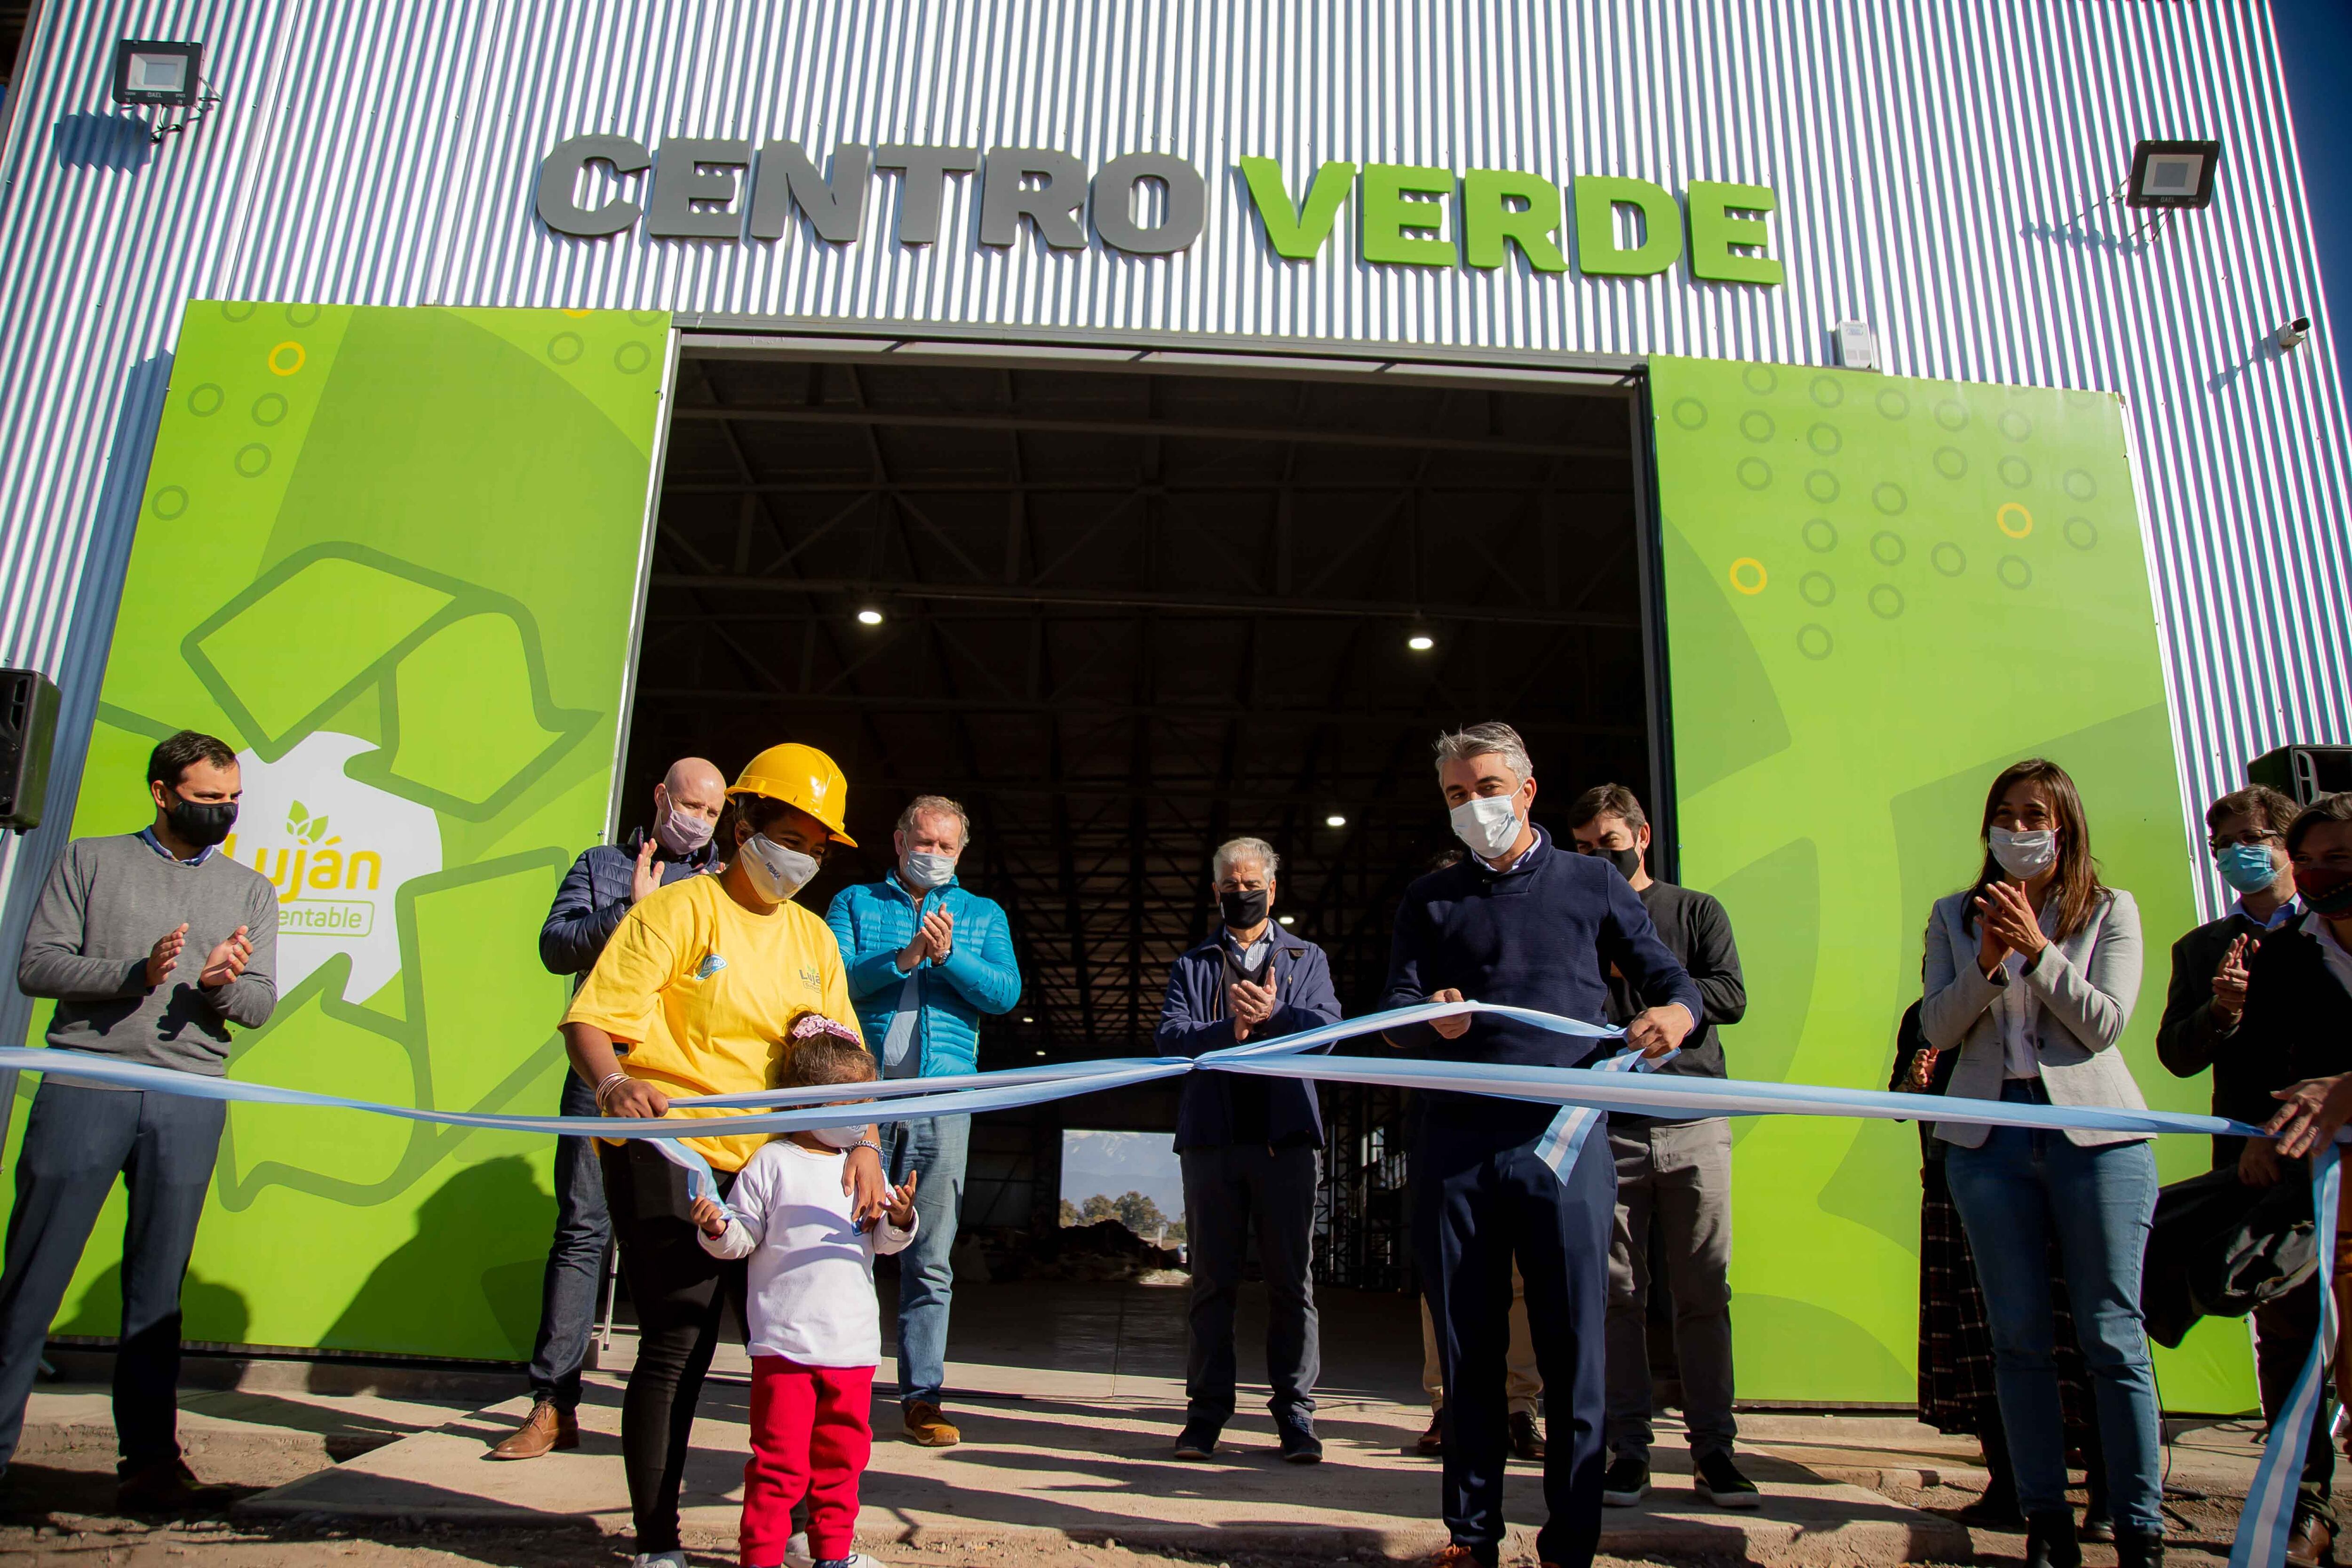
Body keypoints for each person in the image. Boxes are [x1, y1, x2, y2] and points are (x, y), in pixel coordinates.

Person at [561, 742, 888, 1568]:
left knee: (805, 1353)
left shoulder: (815, 939)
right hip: (678, 1155)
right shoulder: (676, 912)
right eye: (793, 835)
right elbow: (590, 1022)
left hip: (779, 1161)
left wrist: (869, 1144)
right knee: (679, 1341)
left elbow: (848, 1058)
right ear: (743, 824)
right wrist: (613, 1087)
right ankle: (659, 1543)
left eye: (819, 846)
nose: (804, 857)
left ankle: (828, 1544)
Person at [1382, 722, 1700, 1568]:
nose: (1472, 805)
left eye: (1486, 787)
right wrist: (1428, 1019)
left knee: (1574, 1349)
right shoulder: (1430, 900)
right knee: (1470, 1351)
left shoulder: (1592, 883)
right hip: (1457, 1144)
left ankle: (1572, 1540)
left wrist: (1674, 1013)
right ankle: (1471, 1535)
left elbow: (1668, 979)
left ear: (1526, 790)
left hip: (1565, 1142)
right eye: (1455, 793)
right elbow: (1397, 1010)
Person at [0, 731, 277, 1509]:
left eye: (232, 801)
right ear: (163, 792)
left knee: (157, 1291)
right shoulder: (91, 860)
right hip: (88, 1082)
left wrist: (222, 984)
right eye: (207, 798)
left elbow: (257, 1002)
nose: (223, 812)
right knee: (32, 1281)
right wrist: (135, 972)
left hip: (188, 1095)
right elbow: (38, 963)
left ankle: (151, 1462)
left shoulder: (252, 888)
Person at [1922, 757, 2161, 1568]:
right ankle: (2046, 1520)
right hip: (1989, 1140)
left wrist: (2039, 950)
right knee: (2017, 1335)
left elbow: (2103, 1025)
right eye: (2005, 814)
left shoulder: (2110, 909)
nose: (2018, 830)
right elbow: (1940, 1029)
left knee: (2110, 1333)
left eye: (2034, 815)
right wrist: (1988, 962)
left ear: (2065, 823)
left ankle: (2138, 1523)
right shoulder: (1954, 913)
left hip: (2095, 1137)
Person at [492, 756, 729, 1460]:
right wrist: (631, 908)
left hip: (686, 1084)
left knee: (687, 1236)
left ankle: (667, 1411)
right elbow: (554, 948)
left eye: (713, 813)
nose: (699, 821)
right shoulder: (600, 865)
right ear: (660, 798)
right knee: (582, 1231)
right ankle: (553, 1402)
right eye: (690, 805)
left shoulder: (725, 888)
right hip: (604, 1074)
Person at [2152, 785, 2332, 1559]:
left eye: (2256, 836)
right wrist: (2221, 1011)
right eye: (2225, 841)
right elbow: (2177, 1054)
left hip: (2334, 1149)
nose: (2240, 851)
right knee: (2287, 1330)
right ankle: (2305, 1503)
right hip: (2259, 1172)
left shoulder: (2327, 930)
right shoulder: (2203, 949)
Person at [1563, 783, 1754, 1509]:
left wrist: (1664, 997)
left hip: (1695, 1119)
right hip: (1609, 1127)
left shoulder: (1695, 910)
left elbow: (1731, 993)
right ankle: (1628, 1450)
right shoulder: (1575, 920)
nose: (1596, 860)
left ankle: (1715, 1450)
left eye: (1608, 845)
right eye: (1582, 849)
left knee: (1704, 1289)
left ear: (1641, 836)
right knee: (1618, 1296)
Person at [825, 795, 1020, 1448]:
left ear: (961, 853)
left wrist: (948, 957)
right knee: (840, 1247)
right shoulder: (856, 904)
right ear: (898, 837)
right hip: (862, 1104)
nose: (932, 853)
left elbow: (1004, 992)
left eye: (946, 845)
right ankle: (832, 1389)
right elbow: (832, 985)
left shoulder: (982, 914)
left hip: (943, 1104)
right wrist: (905, 956)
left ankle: (922, 1398)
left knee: (929, 1259)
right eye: (923, 840)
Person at [692, 1022, 916, 1568]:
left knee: (843, 1462)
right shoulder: (771, 1164)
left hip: (852, 1348)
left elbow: (882, 1243)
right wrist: (718, 1230)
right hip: (784, 1348)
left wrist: (903, 1219)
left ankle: (832, 1556)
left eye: (870, 1101)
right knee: (777, 1467)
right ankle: (761, 1559)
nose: (866, 1116)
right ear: (809, 1103)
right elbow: (743, 1238)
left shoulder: (865, 1167)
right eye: (856, 1101)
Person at [1152, 836, 1341, 1464]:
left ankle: (1296, 1417)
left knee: (1292, 1284)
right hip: (1212, 1141)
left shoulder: (1306, 958)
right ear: (1215, 891)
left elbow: (1328, 1035)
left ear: (1274, 888)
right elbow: (1170, 1037)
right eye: (1230, 884)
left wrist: (1276, 1015)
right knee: (1212, 1283)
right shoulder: (1194, 963)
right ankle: (1205, 1416)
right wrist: (1227, 1030)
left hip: (1285, 1144)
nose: (1242, 892)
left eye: (1251, 882)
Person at [2240, 794, 2352, 1434]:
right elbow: (2261, 1061)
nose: (2318, 872)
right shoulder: (2286, 953)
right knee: (2293, 1330)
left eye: (2337, 857)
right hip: (2311, 1178)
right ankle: (2303, 1503)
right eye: (2305, 858)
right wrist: (2259, 1137)